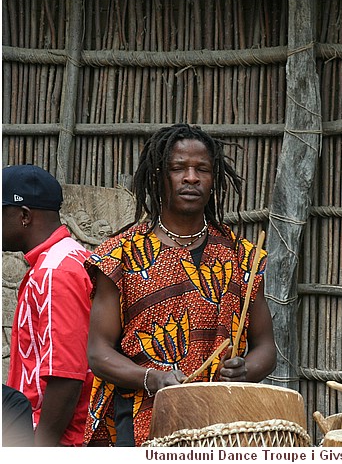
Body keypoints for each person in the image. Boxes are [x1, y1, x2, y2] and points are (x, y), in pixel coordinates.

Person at [83, 124, 277, 446]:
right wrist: (153, 378)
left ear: (214, 180)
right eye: (178, 168)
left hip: (224, 423)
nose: (191, 178)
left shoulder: (242, 256)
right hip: (143, 415)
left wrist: (246, 370)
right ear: (160, 176)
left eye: (202, 169)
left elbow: (266, 347)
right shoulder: (120, 255)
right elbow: (98, 353)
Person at [2, 164, 94, 446]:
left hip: (54, 440)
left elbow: (66, 376)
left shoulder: (56, 273)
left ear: (24, 216)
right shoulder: (68, 259)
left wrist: (39, 452)